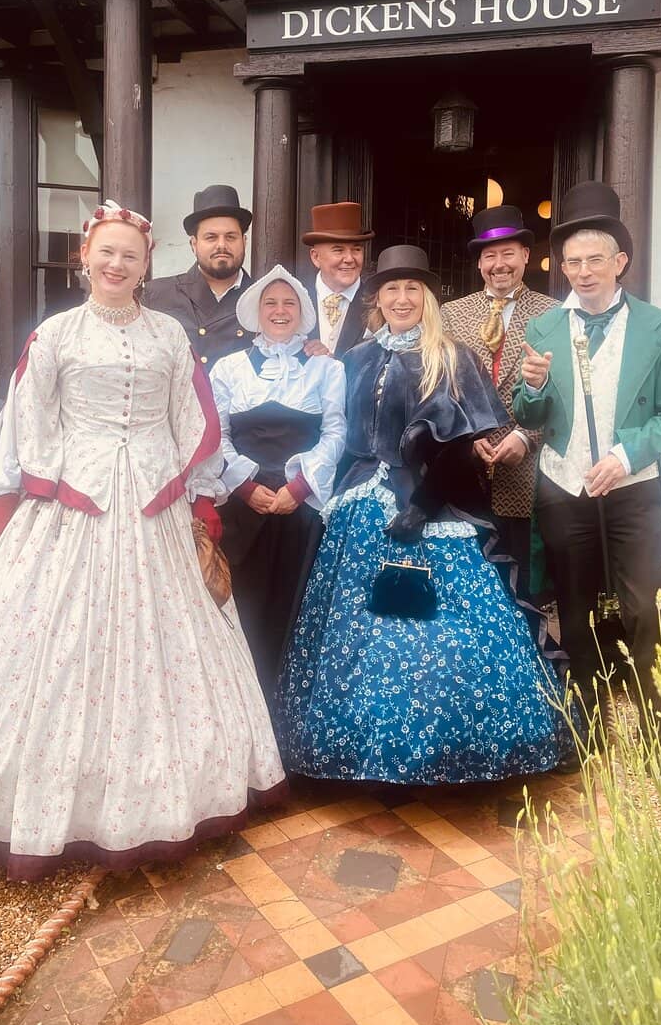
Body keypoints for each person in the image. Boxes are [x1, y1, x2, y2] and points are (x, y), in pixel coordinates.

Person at [0, 199, 285, 880]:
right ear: (85, 258)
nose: (117, 264)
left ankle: (155, 800)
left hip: (153, 498)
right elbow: (29, 418)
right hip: (71, 495)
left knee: (158, 648)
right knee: (38, 636)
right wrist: (49, 483)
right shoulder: (55, 335)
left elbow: (193, 419)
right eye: (106, 252)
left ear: (148, 268)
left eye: (131, 255)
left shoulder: (170, 337)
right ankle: (25, 805)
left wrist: (188, 490)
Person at [276, 245, 570, 783]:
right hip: (360, 509)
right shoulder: (355, 359)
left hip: (435, 508)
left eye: (413, 288)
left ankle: (446, 750)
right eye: (392, 288)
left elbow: (462, 445)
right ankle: (357, 753)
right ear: (378, 298)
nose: (402, 297)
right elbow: (337, 435)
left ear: (429, 297)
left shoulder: (454, 355)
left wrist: (423, 505)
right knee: (355, 634)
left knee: (441, 632)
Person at [512, 182, 661, 737]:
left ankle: (659, 734)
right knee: (575, 611)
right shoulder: (544, 325)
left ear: (620, 262)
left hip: (632, 487)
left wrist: (624, 454)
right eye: (572, 262)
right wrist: (531, 387)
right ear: (561, 267)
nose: (583, 271)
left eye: (595, 260)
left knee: (644, 611)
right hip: (563, 487)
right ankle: (587, 729)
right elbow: (532, 413)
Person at [211, 266, 346, 695]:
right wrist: (246, 488)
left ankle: (286, 717)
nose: (280, 310)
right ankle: (242, 707)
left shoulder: (328, 369)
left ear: (303, 310)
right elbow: (216, 435)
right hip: (243, 507)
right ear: (255, 310)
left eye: (289, 302)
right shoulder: (227, 368)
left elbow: (337, 432)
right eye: (270, 302)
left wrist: (300, 488)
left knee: (295, 607)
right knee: (242, 608)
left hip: (299, 507)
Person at [440, 204, 558, 585]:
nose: (499, 264)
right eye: (490, 256)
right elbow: (440, 389)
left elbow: (565, 395)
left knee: (522, 583)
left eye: (508, 253)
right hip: (466, 469)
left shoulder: (553, 313)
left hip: (526, 471)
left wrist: (526, 436)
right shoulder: (450, 314)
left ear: (526, 255)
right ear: (479, 264)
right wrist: (467, 442)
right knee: (469, 584)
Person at [145, 185, 254, 369]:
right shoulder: (156, 295)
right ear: (193, 244)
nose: (221, 245)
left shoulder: (263, 298)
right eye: (211, 237)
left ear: (243, 242)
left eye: (231, 237)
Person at [302, 202, 373, 358]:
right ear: (315, 257)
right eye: (338, 250)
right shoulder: (295, 299)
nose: (349, 258)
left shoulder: (377, 303)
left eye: (356, 249)